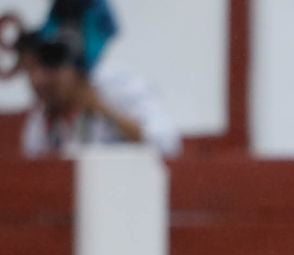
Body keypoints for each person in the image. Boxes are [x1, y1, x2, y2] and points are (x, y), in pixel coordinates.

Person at [18, 0, 181, 159]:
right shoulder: (42, 117)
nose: (37, 80)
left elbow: (166, 145)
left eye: (50, 67)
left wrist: (102, 108)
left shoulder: (118, 85)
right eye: (30, 71)